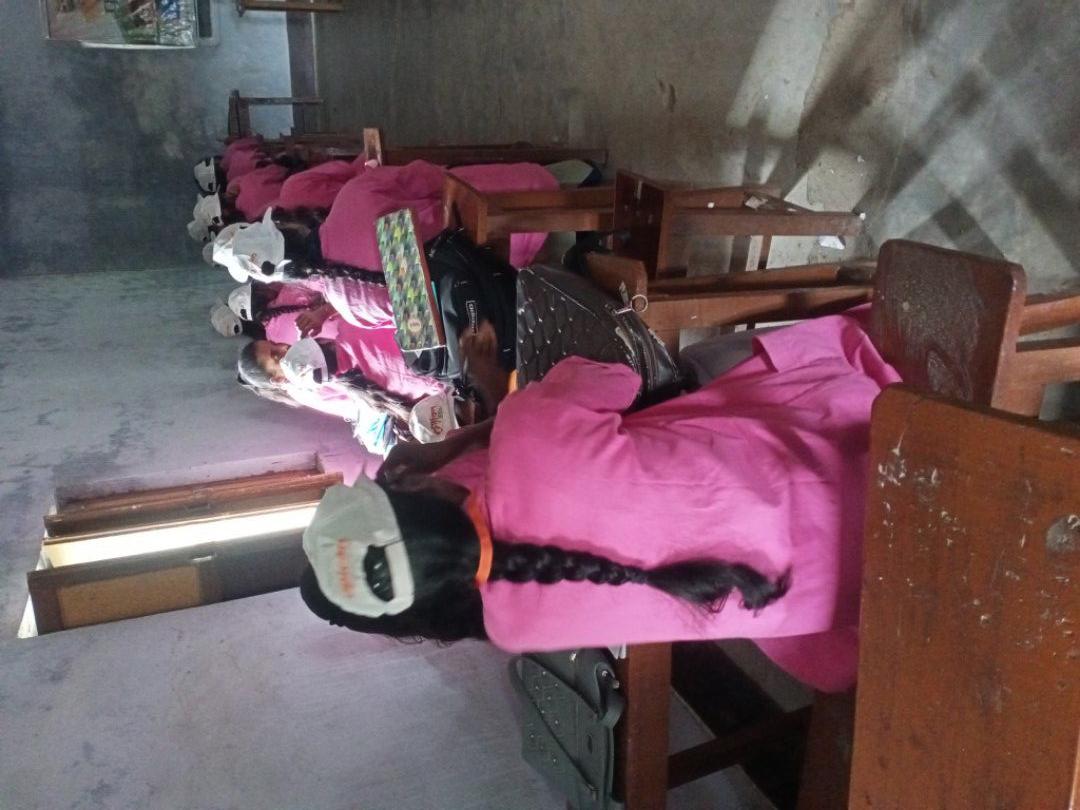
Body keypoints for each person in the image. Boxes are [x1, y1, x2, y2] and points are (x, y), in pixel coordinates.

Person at [298, 309, 902, 693]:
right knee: (702, 367)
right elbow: (620, 377)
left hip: (852, 603)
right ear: (407, 484)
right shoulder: (527, 432)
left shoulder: (510, 627)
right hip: (865, 455)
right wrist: (471, 429)